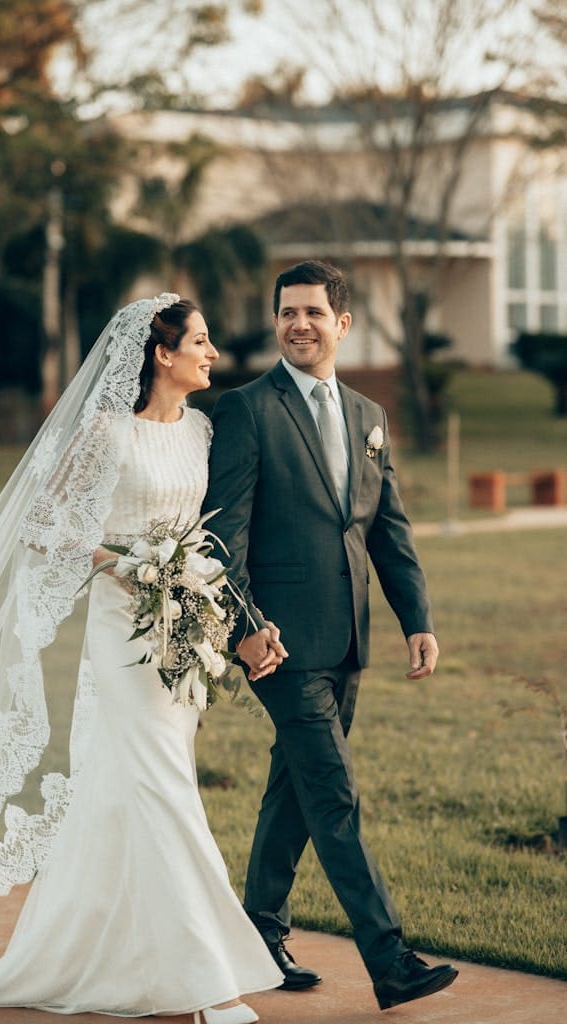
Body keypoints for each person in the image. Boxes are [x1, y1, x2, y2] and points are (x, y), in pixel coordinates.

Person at [0, 295, 283, 1023]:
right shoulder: (106, 434)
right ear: (160, 355)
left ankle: (103, 949)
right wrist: (119, 561)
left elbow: (212, 535)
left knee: (130, 789)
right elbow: (39, 527)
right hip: (120, 632)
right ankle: (209, 983)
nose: (211, 352)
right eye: (198, 340)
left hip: (180, 636)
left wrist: (200, 597)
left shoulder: (200, 430)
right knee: (161, 787)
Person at [204, 261, 459, 1012]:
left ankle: (259, 933)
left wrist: (417, 619)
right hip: (277, 646)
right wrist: (245, 631)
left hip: (349, 641)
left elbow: (387, 529)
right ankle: (390, 960)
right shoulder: (246, 410)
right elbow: (222, 536)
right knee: (334, 795)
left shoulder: (367, 416)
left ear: (341, 324)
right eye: (287, 312)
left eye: (313, 312)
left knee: (294, 790)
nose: (298, 324)